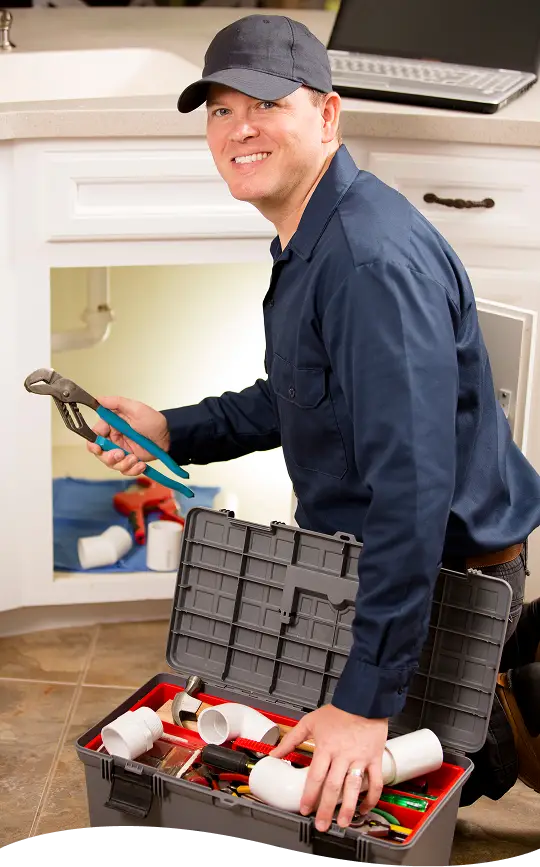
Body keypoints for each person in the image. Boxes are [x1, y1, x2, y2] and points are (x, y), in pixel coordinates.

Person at [88, 14, 540, 832]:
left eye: (266, 103)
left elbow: (412, 493)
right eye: (221, 110)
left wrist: (366, 704)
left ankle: (507, 705)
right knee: (279, 745)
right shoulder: (315, 233)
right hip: (377, 564)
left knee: (352, 798)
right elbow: (295, 395)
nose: (240, 128)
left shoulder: (368, 263)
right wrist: (169, 426)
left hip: (448, 580)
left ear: (328, 115)